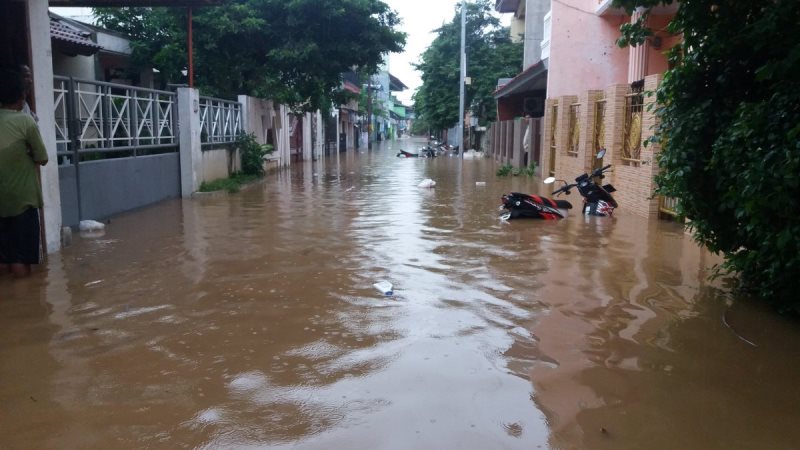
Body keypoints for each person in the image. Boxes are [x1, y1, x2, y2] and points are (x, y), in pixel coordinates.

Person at [0, 68, 48, 278]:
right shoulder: (25, 121)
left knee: (2, 259)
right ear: (21, 95)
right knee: (21, 260)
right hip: (23, 201)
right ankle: (26, 306)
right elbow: (42, 157)